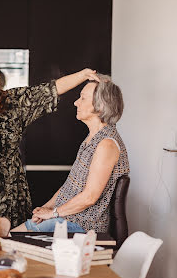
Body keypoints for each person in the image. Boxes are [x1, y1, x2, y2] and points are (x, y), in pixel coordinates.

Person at [0, 60, 99, 227]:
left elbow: (49, 91)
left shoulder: (11, 102)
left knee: (18, 245)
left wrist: (83, 75)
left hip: (16, 192)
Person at [12, 74, 130, 233]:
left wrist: (53, 213)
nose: (76, 102)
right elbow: (69, 186)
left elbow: (89, 197)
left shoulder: (106, 144)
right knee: (11, 236)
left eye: (82, 98)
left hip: (84, 225)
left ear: (100, 106)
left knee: (12, 237)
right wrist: (47, 208)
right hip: (67, 217)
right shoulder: (91, 138)